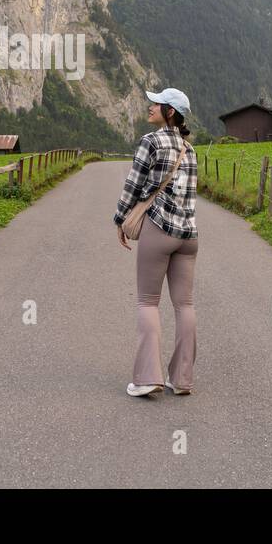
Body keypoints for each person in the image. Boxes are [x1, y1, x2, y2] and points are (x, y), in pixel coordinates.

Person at [112, 87, 198, 397]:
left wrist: (120, 220)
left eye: (157, 103)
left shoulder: (151, 142)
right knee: (184, 305)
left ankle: (149, 377)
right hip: (189, 235)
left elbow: (133, 185)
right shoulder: (190, 149)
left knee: (148, 301)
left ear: (170, 112)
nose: (150, 106)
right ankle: (182, 379)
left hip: (159, 229)